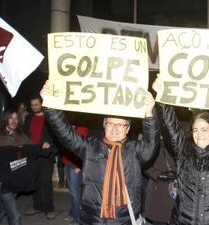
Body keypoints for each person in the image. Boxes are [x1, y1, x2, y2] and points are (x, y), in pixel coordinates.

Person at [41, 82, 159, 225]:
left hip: (123, 219)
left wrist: (149, 114)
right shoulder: (90, 147)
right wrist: (50, 106)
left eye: (121, 124)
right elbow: (66, 134)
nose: (115, 128)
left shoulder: (134, 150)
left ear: (127, 129)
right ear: (104, 126)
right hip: (92, 218)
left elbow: (151, 145)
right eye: (110, 123)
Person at [23, 96, 58, 220]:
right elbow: (25, 135)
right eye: (32, 105)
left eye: (36, 104)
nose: (34, 107)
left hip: (46, 156)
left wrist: (51, 147)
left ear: (41, 104)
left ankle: (49, 209)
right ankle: (37, 206)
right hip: (32, 154)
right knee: (35, 182)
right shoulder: (28, 118)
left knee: (45, 182)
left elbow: (57, 136)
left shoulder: (49, 118)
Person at [0, 110, 33, 225]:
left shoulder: (21, 136)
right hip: (1, 180)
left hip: (15, 178)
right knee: (14, 214)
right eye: (11, 118)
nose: (14, 121)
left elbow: (32, 147)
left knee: (4, 207)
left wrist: (43, 145)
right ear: (5, 120)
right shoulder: (0, 136)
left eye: (16, 118)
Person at [144, 136, 176, 225]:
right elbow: (143, 164)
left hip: (177, 189)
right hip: (159, 189)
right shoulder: (152, 145)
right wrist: (159, 175)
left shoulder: (181, 144)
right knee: (160, 218)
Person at [63, 126, 88, 225]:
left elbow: (82, 148)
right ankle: (73, 213)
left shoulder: (82, 128)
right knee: (73, 191)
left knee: (75, 192)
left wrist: (79, 165)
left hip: (75, 165)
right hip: (68, 162)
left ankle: (78, 218)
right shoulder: (71, 127)